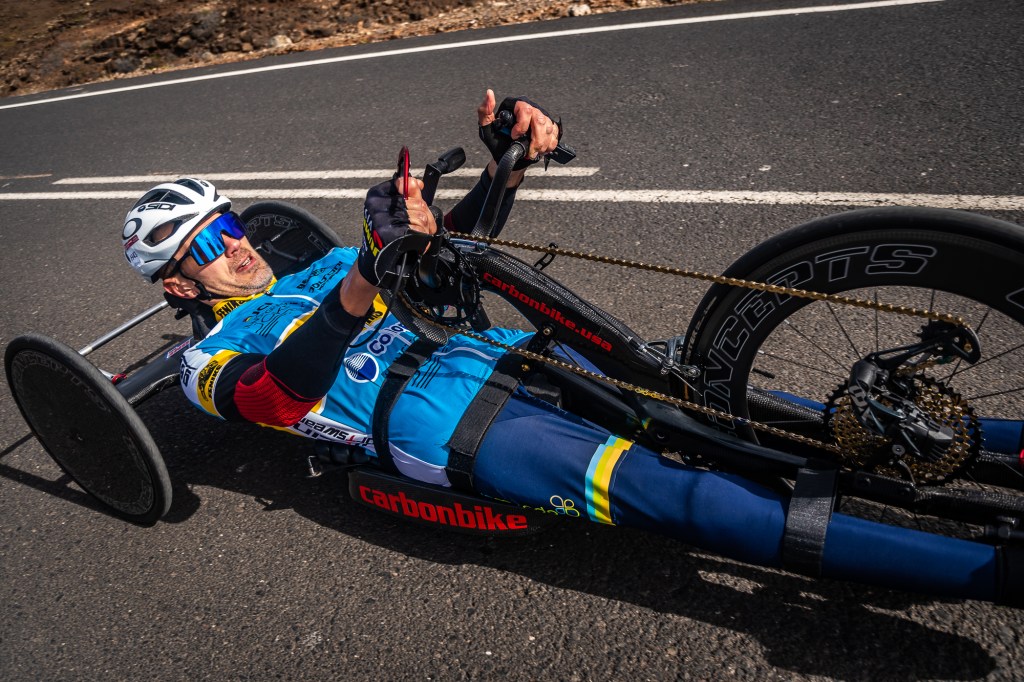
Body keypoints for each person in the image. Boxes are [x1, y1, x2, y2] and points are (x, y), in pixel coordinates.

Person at [119, 90, 1017, 606]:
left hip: (515, 354)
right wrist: (365, 274)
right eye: (208, 244)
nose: (236, 245)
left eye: (230, 223)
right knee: (690, 497)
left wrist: (505, 163)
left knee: (751, 413)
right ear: (179, 285)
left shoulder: (315, 263)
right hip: (455, 429)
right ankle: (993, 572)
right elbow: (274, 399)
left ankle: (1006, 448)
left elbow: (449, 260)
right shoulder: (206, 361)